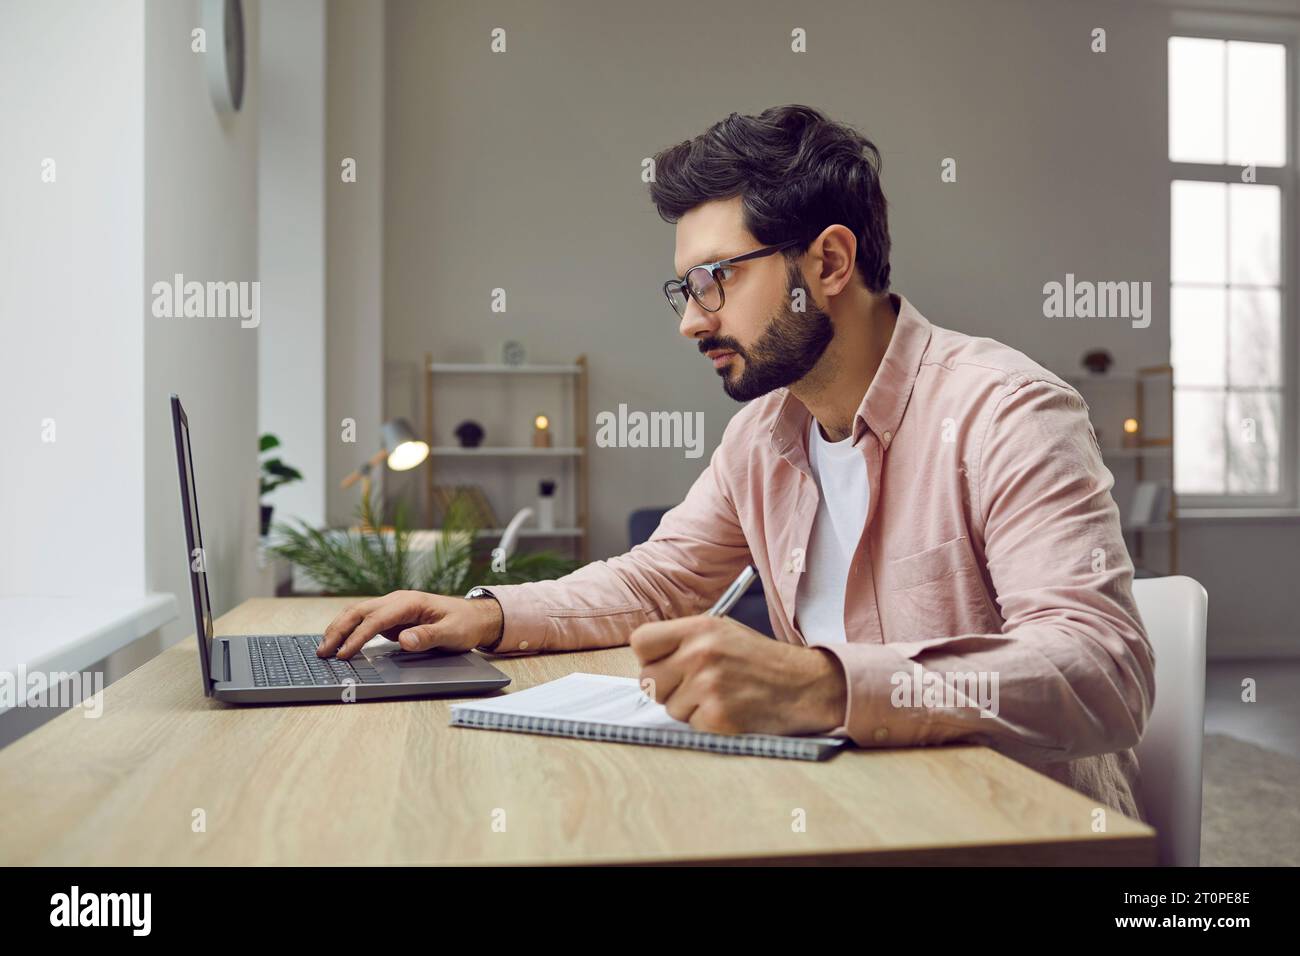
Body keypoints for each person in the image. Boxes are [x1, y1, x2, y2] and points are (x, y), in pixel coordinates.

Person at [319, 104, 1155, 821]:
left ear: (827, 263)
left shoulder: (1004, 409)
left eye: (715, 280)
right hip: (847, 808)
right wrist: (487, 616)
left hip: (1010, 829)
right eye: (685, 289)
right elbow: (659, 581)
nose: (691, 321)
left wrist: (824, 686)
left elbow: (1103, 670)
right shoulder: (764, 434)